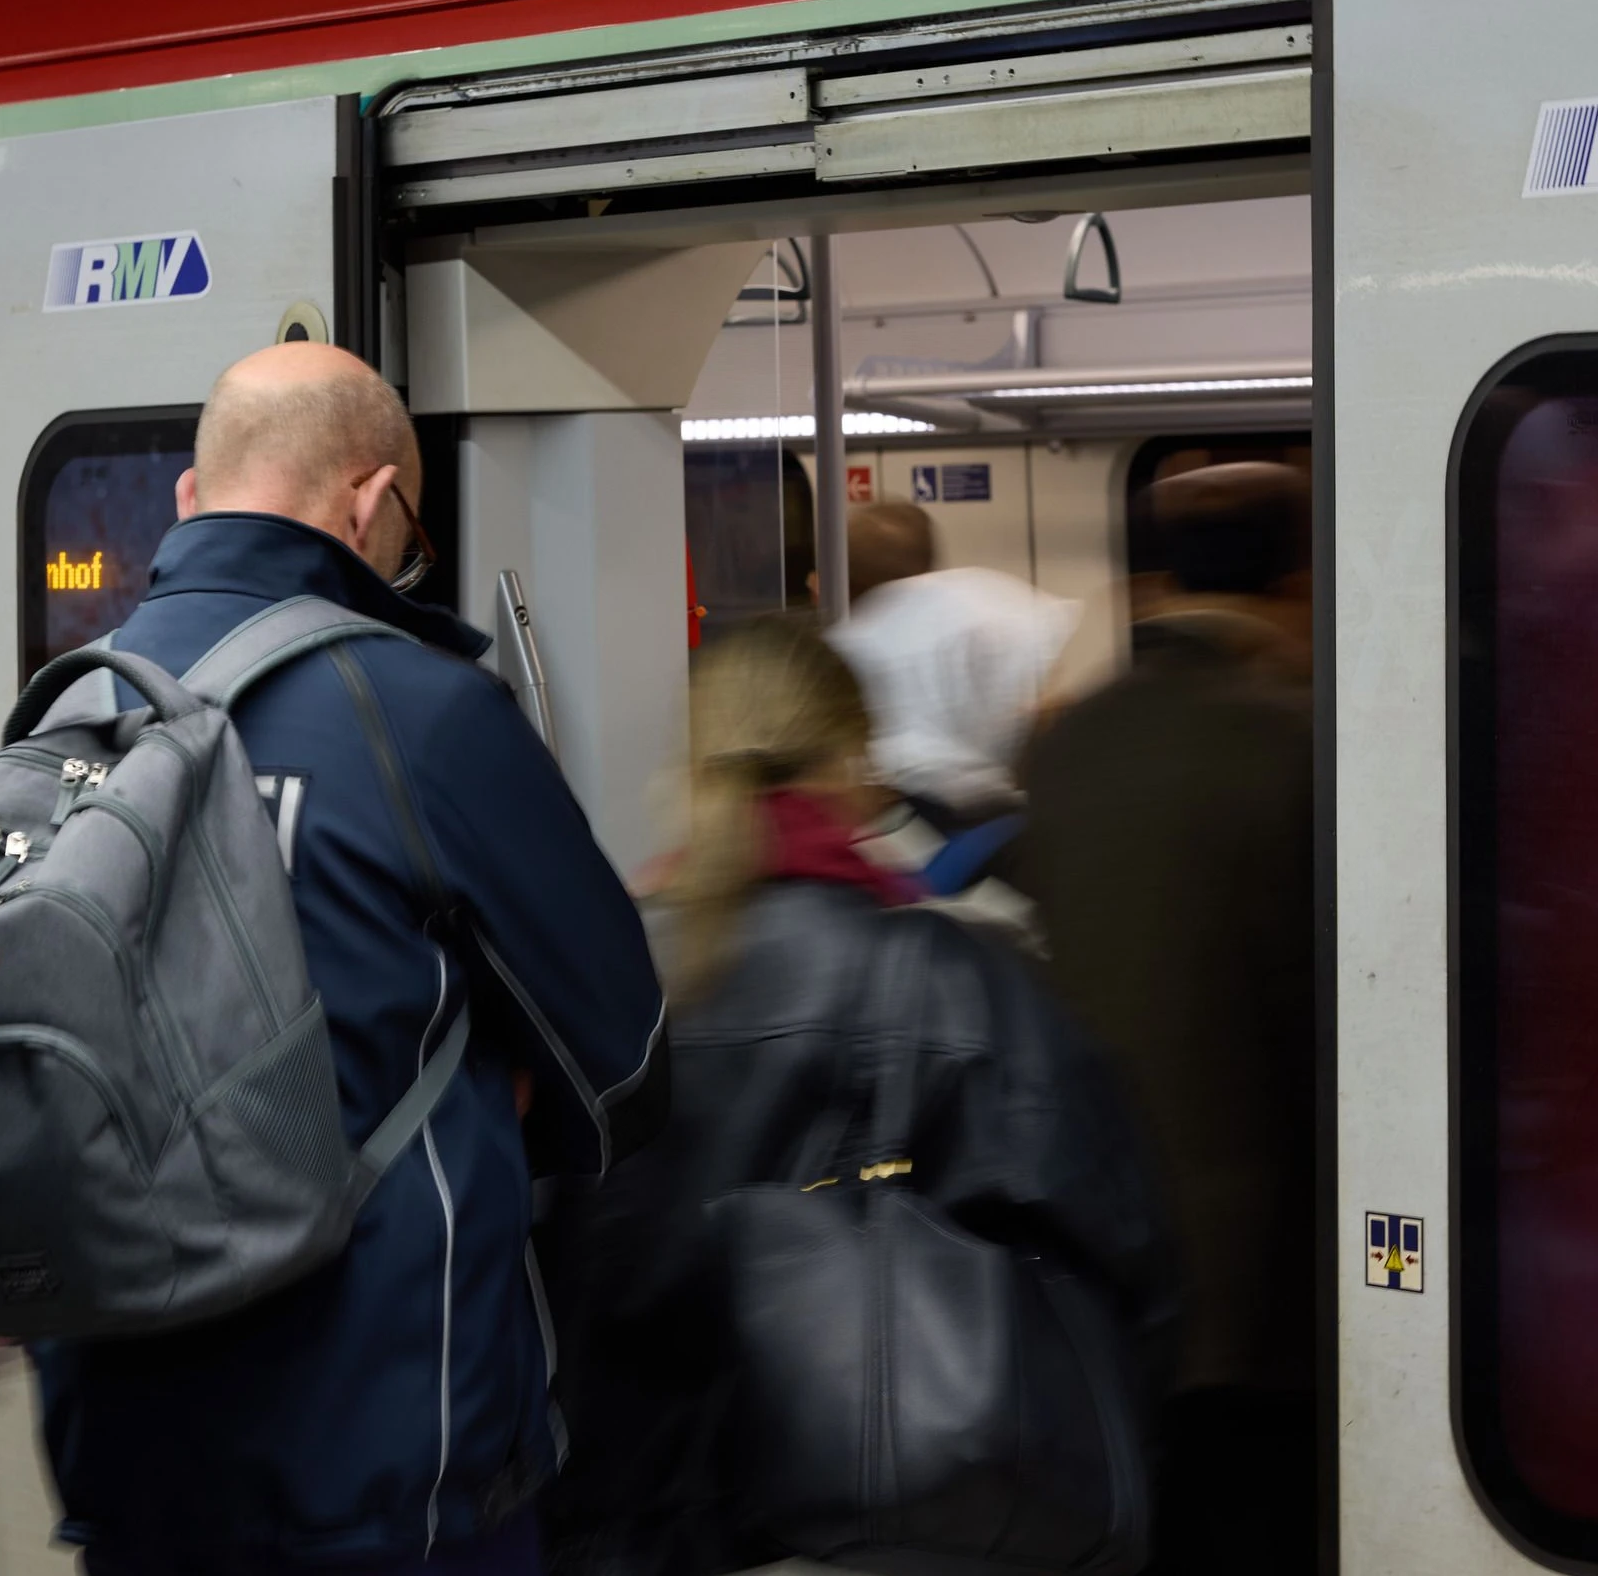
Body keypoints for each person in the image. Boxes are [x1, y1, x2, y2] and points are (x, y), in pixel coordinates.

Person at [32, 343, 667, 1576]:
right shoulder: (417, 711)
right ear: (372, 504)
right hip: (386, 1467)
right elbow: (628, 1070)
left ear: (186, 501)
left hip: (128, 1463)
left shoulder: (64, 718)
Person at [538, 615, 1173, 1576]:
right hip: (888, 1518)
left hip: (627, 1516)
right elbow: (1116, 1241)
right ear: (854, 762)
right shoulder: (950, 975)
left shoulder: (590, 972)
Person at [1014, 462, 1315, 1575]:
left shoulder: (1068, 738)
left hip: (1094, 1220)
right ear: (1297, 578)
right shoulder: (1299, 739)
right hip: (1261, 1249)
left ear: (1149, 582)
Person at [824, 501, 1076, 829]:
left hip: (898, 814)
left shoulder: (845, 644)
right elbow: (1037, 717)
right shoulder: (998, 601)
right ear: (929, 558)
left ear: (849, 576)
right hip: (995, 814)